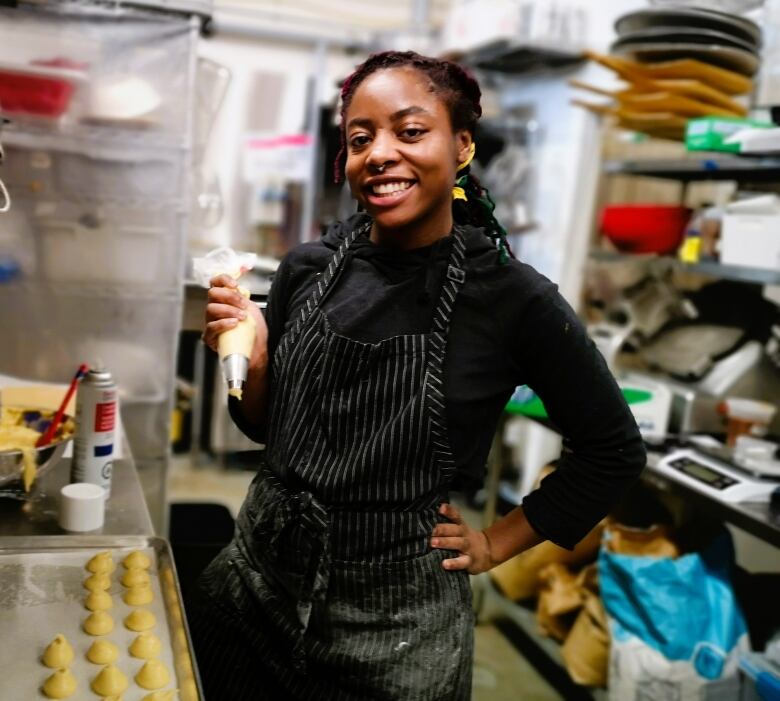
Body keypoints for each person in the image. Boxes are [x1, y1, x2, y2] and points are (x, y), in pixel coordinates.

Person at [191, 51, 646, 700]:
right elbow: (264, 426)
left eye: (409, 131)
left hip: (391, 625)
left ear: (461, 146)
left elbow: (612, 450)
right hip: (255, 583)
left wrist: (494, 542)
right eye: (359, 138)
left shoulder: (512, 299)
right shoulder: (307, 268)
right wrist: (255, 365)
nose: (378, 153)